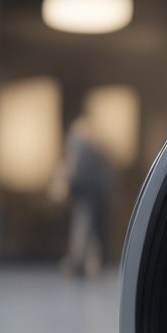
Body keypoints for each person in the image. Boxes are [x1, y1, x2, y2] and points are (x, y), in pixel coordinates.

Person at [56, 117, 114, 278]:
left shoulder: (81, 148)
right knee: (88, 229)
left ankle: (80, 263)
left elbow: (72, 170)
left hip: (86, 193)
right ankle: (88, 263)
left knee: (83, 228)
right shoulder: (94, 148)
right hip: (90, 193)